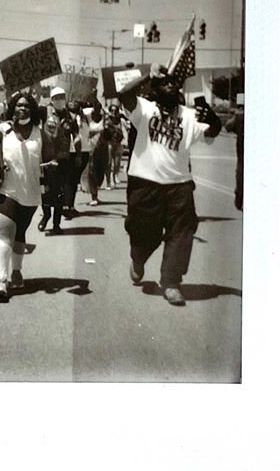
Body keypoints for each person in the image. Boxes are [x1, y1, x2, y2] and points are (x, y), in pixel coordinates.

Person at [118, 63, 222, 306]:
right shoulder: (145, 109)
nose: (171, 85)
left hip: (179, 185)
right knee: (144, 234)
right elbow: (124, 94)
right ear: (154, 89)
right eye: (164, 82)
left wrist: (214, 121)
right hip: (145, 184)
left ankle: (171, 282)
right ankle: (138, 258)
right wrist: (146, 75)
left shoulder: (189, 115)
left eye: (174, 82)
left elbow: (211, 133)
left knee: (182, 233)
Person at [0, 91, 44, 302]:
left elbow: (54, 153)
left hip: (29, 192)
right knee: (4, 232)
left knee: (20, 233)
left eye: (26, 106)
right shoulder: (3, 129)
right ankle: (1, 281)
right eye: (18, 105)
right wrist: (0, 130)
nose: (22, 108)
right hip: (3, 189)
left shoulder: (40, 133)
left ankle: (17, 270)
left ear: (32, 110)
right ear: (12, 107)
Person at [38, 114, 70, 233]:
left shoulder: (62, 135)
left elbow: (65, 150)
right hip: (43, 170)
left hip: (59, 169)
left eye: (54, 125)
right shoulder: (40, 135)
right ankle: (46, 216)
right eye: (49, 125)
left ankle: (56, 224)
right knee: (44, 196)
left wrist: (57, 159)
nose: (52, 128)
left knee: (59, 197)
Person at [83, 102, 108, 207]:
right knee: (92, 171)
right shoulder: (88, 118)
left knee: (101, 170)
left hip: (103, 148)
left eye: (99, 109)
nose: (97, 110)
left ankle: (96, 192)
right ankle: (94, 195)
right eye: (95, 109)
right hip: (91, 147)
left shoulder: (104, 118)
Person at [225, 102, 244, 211]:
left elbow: (228, 126)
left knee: (241, 173)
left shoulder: (240, 116)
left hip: (242, 151)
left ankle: (239, 199)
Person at [104, 104, 124, 189]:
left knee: (117, 162)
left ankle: (115, 176)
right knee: (108, 163)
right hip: (109, 142)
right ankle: (108, 182)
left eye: (115, 110)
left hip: (118, 142)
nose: (114, 112)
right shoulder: (107, 120)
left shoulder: (120, 120)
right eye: (112, 110)